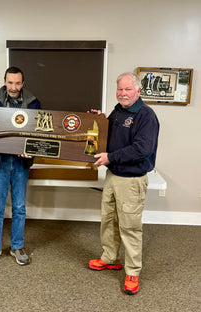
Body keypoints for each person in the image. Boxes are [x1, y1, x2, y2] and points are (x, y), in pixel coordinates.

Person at [88, 72, 159, 295]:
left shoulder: (146, 116)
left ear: (138, 91)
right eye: (120, 89)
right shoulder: (119, 111)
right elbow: (109, 136)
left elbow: (142, 149)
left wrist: (111, 157)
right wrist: (101, 119)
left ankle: (132, 272)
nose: (123, 93)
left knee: (129, 227)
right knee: (108, 220)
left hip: (131, 180)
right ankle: (110, 257)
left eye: (128, 89)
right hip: (113, 176)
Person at [0, 66, 41, 268]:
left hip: (21, 163)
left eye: (18, 83)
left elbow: (39, 132)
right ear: (5, 81)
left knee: (20, 207)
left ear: (23, 83)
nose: (14, 87)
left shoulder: (34, 102)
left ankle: (17, 246)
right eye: (10, 82)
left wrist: (32, 149)